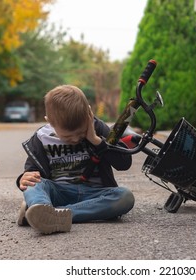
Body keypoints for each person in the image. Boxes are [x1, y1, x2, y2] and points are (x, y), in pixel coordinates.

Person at [16, 85, 135, 234]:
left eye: (80, 132)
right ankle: (40, 208)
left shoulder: (97, 128)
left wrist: (95, 140)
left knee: (125, 197)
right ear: (50, 122)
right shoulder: (41, 137)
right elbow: (32, 171)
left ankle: (46, 215)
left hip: (95, 195)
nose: (75, 139)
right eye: (67, 136)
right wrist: (25, 178)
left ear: (88, 115)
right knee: (34, 185)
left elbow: (124, 163)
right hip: (59, 192)